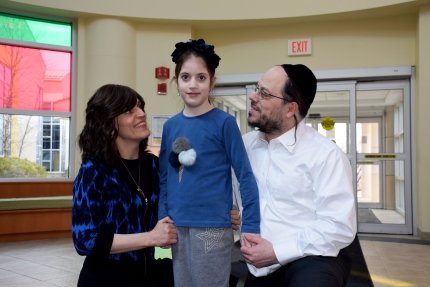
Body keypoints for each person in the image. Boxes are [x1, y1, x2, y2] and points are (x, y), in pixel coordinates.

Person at [239, 64, 357, 287]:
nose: (253, 97)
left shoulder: (326, 155)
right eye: (257, 88)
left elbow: (338, 226)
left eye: (264, 93)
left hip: (312, 258)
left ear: (290, 109)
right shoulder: (244, 146)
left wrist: (277, 251)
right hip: (257, 264)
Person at [158, 39, 260, 287]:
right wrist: (162, 219)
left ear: (212, 82)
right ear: (176, 82)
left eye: (201, 77)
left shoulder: (224, 123)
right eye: (185, 77)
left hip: (213, 227)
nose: (193, 85)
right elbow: (164, 177)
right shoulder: (170, 126)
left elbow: (244, 175)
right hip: (177, 226)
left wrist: (251, 225)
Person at [72, 84, 178, 287]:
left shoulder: (154, 165)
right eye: (129, 111)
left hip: (148, 273)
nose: (141, 114)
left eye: (140, 107)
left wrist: (222, 213)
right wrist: (150, 238)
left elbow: (176, 208)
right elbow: (84, 240)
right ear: (109, 123)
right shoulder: (93, 170)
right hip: (106, 279)